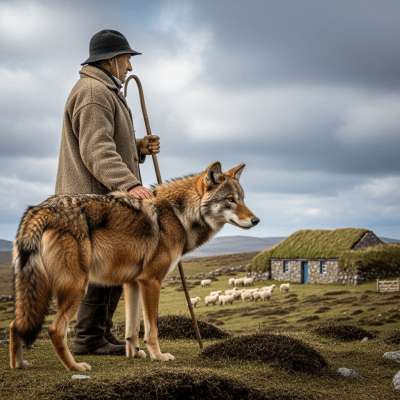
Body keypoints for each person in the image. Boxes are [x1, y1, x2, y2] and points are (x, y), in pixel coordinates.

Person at [55, 29, 160, 356]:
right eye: (127, 58)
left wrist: (139, 148)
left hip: (100, 200)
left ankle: (94, 336)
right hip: (91, 202)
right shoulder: (93, 93)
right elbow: (96, 150)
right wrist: (130, 184)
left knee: (111, 265)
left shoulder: (103, 91)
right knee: (103, 266)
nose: (129, 66)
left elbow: (108, 144)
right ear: (112, 60)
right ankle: (88, 338)